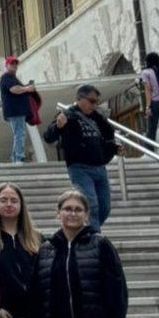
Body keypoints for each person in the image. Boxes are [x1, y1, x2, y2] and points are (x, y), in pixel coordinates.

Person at [30, 190, 128, 318]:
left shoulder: (101, 245)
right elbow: (38, 297)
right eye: (67, 209)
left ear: (86, 214)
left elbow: (117, 293)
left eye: (78, 209)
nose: (72, 213)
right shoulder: (46, 250)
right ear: (58, 213)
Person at [43, 84, 123, 229]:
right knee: (91, 204)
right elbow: (48, 136)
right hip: (79, 168)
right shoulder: (68, 114)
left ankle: (86, 231)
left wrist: (114, 148)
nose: (94, 105)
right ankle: (94, 238)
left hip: (99, 168)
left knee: (104, 207)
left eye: (96, 102)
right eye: (91, 101)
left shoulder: (98, 118)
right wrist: (58, 126)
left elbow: (106, 139)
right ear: (80, 99)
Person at [0, 183, 42, 318]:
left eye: (14, 200)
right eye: (3, 200)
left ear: (21, 204)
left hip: (37, 311)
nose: (9, 204)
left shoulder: (37, 238)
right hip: (4, 315)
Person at [0, 56, 36, 163]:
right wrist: (27, 88)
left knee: (19, 133)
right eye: (12, 63)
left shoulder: (12, 77)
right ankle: (19, 157)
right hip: (15, 111)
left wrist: (26, 88)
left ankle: (16, 157)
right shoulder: (7, 77)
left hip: (17, 111)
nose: (15, 65)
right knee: (19, 133)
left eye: (16, 63)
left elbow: (17, 88)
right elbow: (14, 89)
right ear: (6, 65)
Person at [140, 52, 159, 141]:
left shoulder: (146, 72)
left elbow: (148, 90)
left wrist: (147, 107)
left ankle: (149, 152)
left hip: (155, 102)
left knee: (151, 129)